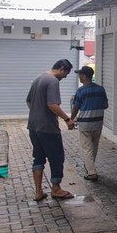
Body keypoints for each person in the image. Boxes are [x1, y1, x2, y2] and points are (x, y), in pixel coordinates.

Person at [26, 59, 76, 201]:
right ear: (61, 68)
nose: (65, 76)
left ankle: (38, 191)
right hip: (48, 128)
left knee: (38, 158)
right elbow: (52, 104)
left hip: (33, 126)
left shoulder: (38, 78)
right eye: (66, 73)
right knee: (56, 157)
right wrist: (67, 119)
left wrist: (37, 112)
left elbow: (28, 101)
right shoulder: (53, 81)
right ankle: (56, 189)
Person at [69, 66, 108, 182]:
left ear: (85, 76)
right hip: (98, 123)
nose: (79, 76)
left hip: (85, 124)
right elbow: (106, 105)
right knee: (94, 146)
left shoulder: (81, 91)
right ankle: (90, 168)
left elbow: (75, 107)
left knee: (86, 148)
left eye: (80, 74)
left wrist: (71, 119)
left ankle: (91, 172)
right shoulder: (101, 89)